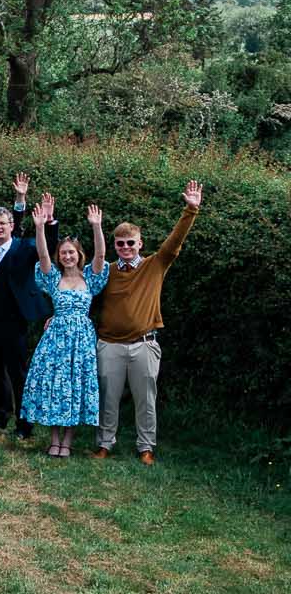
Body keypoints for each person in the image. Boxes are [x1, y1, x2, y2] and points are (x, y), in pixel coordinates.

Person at [92, 181, 200, 465]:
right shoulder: (106, 271)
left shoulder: (155, 265)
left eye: (131, 243)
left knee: (146, 400)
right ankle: (104, 443)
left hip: (144, 344)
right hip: (110, 345)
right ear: (115, 246)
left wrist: (190, 210)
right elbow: (81, 291)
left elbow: (174, 242)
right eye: (120, 243)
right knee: (108, 398)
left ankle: (146, 447)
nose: (126, 247)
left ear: (140, 243)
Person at [23, 196, 109, 458]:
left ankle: (68, 441)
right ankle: (54, 440)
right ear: (59, 257)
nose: (68, 256)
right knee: (55, 385)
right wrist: (40, 227)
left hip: (82, 339)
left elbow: (101, 255)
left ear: (79, 254)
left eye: (71, 252)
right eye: (63, 253)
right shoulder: (53, 278)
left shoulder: (90, 278)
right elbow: (42, 254)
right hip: (56, 338)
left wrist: (96, 226)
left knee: (75, 385)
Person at [0, 181, 46, 434]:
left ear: (11, 225)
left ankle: (24, 423)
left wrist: (45, 223)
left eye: (2, 223)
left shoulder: (24, 247)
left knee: (18, 372)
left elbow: (47, 247)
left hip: (16, 319)